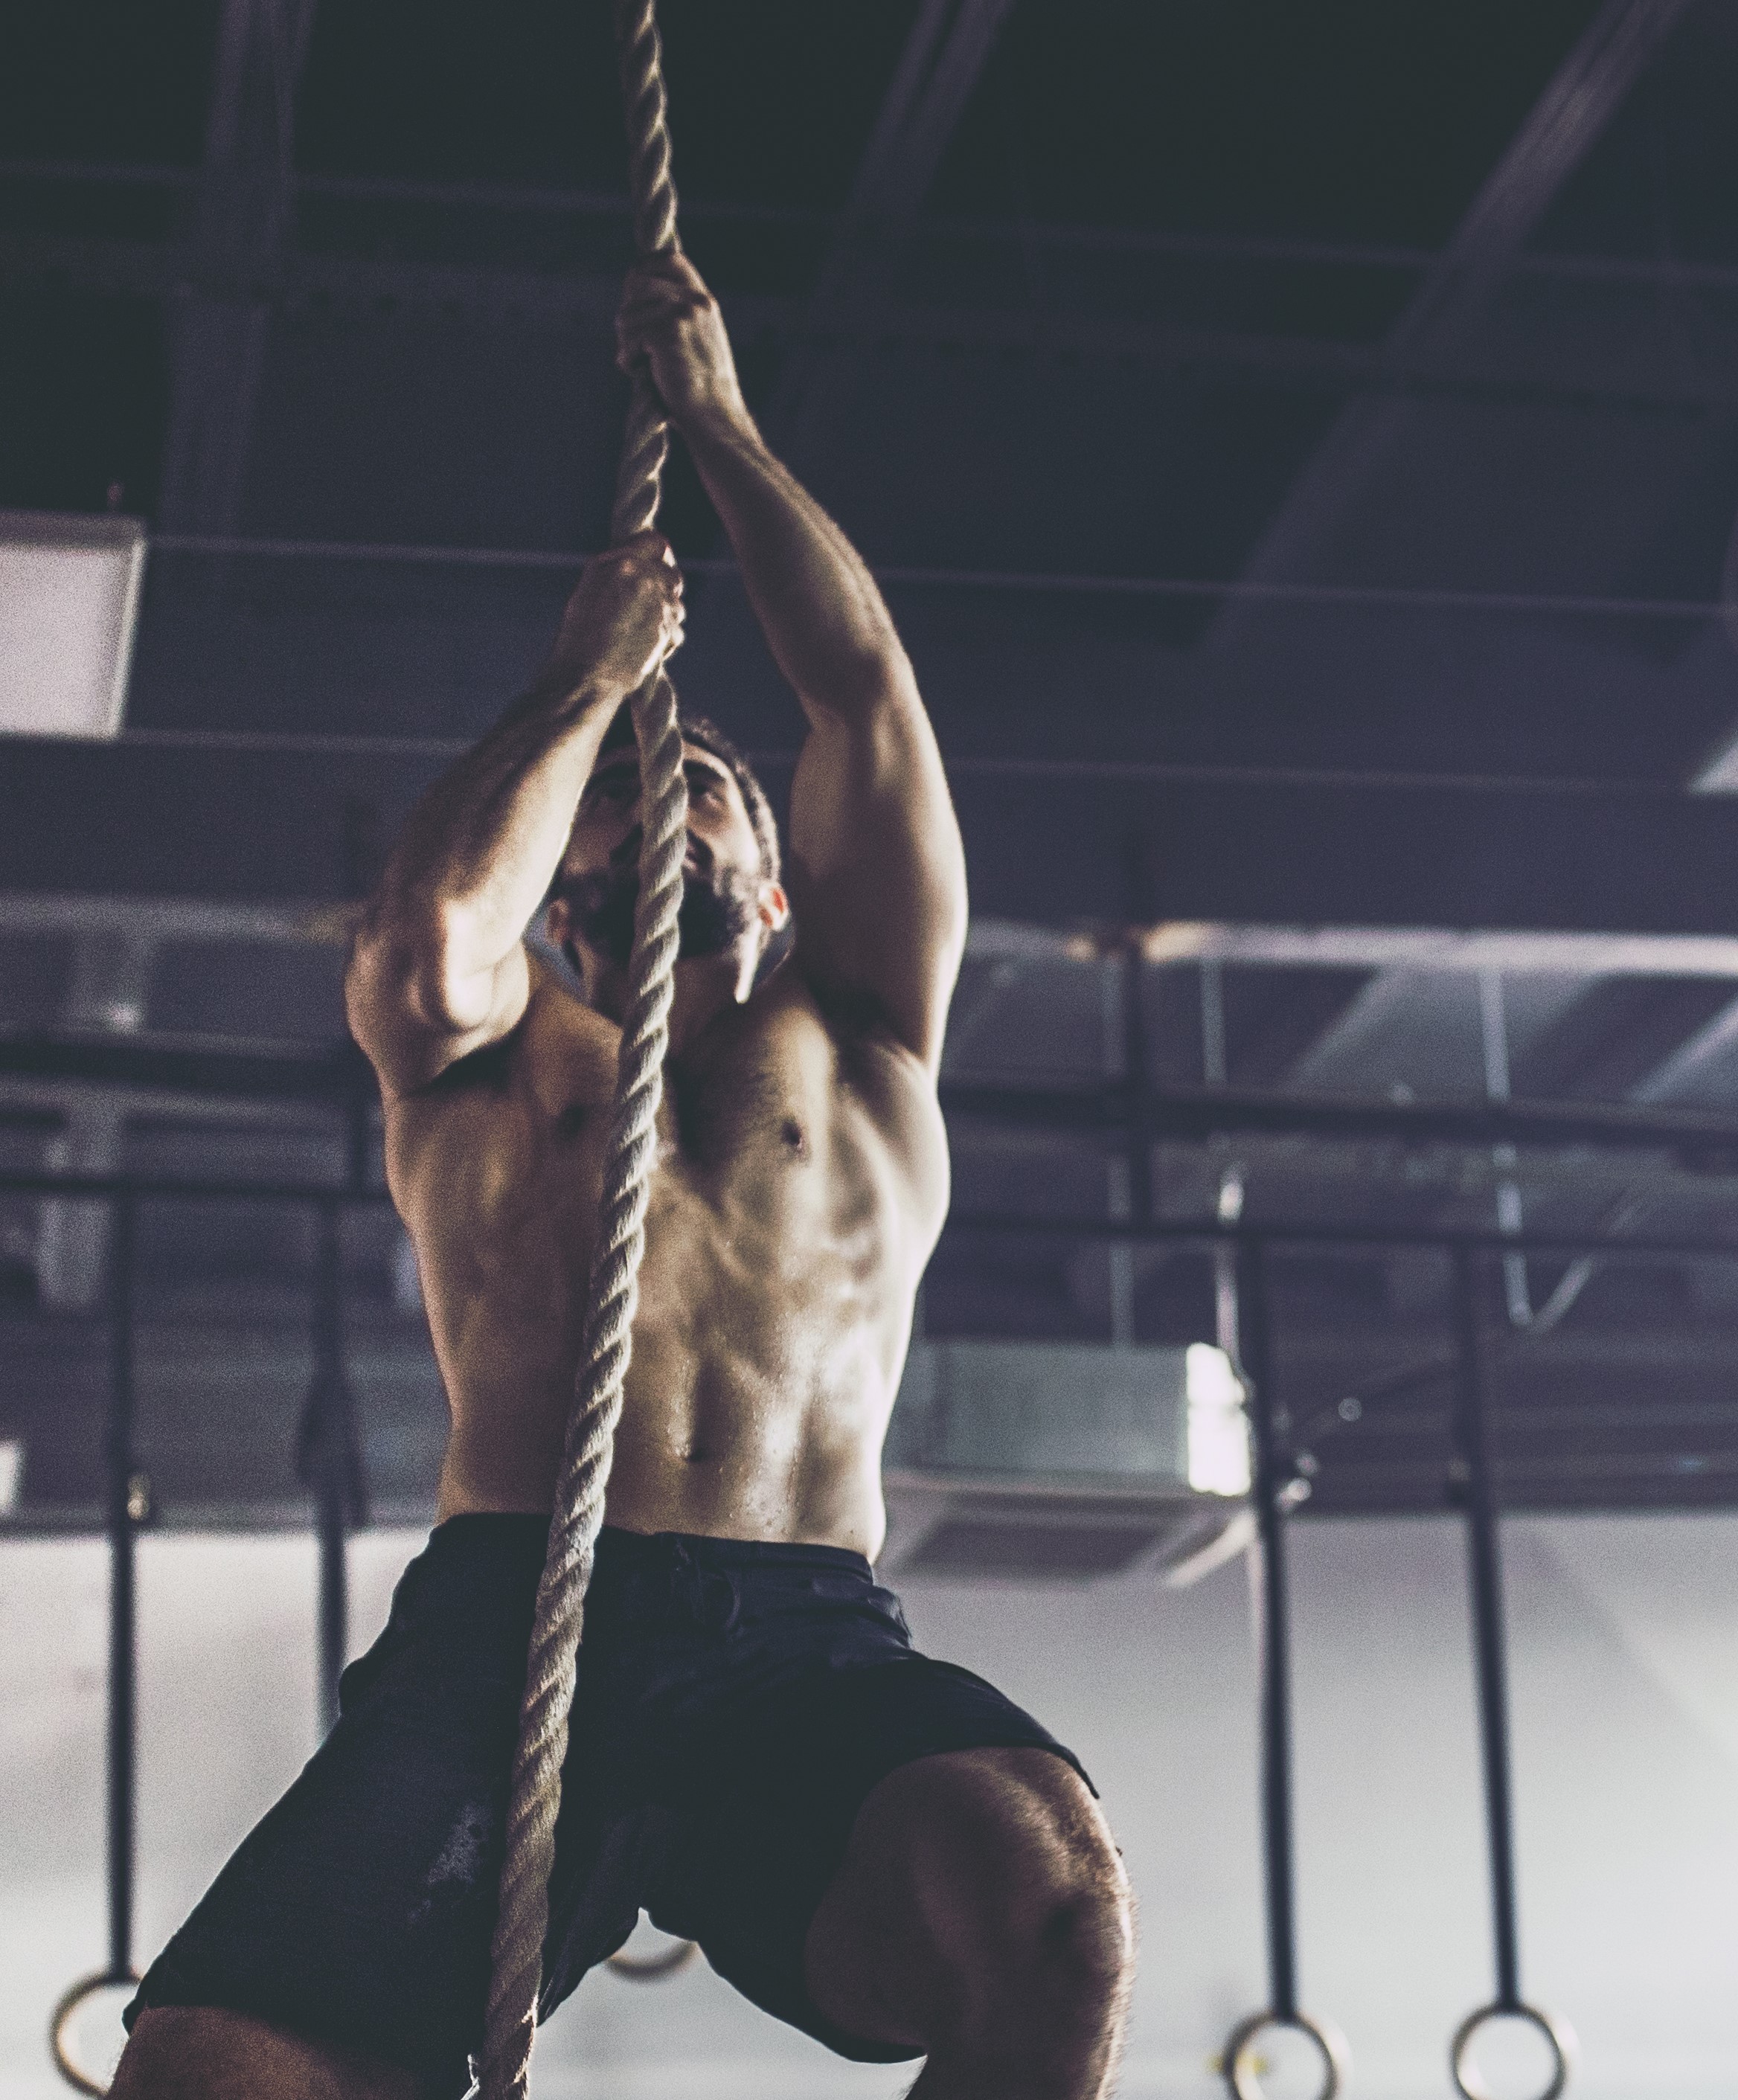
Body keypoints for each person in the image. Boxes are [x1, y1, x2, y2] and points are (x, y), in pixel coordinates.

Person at [113, 253, 1131, 2100]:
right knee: (211, 2075)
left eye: (689, 810)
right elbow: (426, 934)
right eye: (591, 841)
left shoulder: (872, 1027)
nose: (637, 849)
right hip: (511, 1626)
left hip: (796, 1639)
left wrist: (721, 423)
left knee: (1043, 1907)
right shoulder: (488, 1063)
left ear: (765, 854)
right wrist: (582, 685)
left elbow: (866, 692)